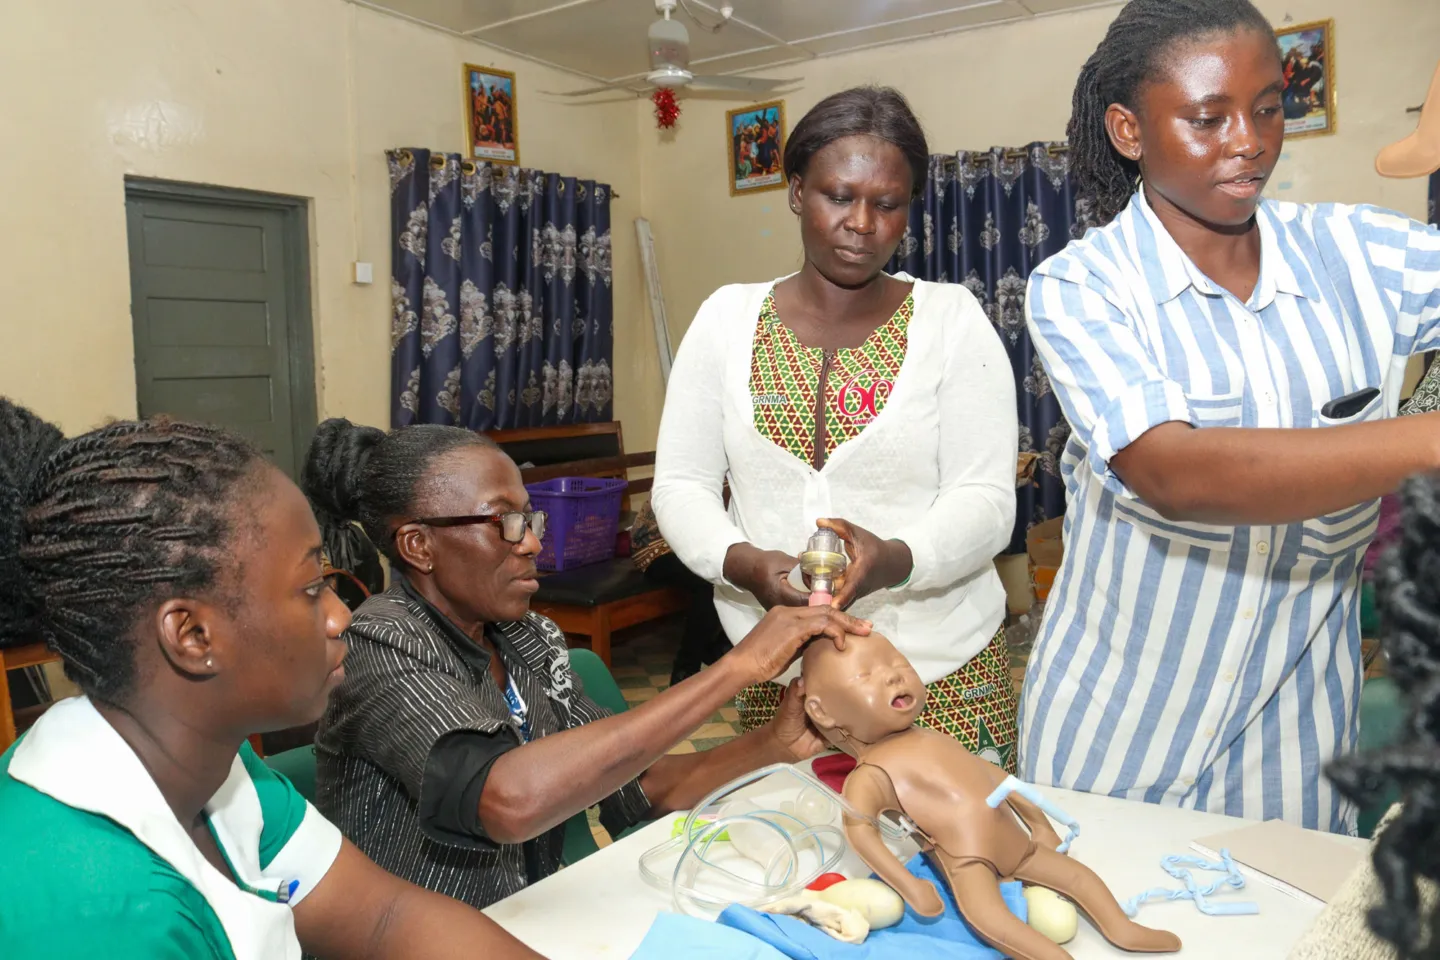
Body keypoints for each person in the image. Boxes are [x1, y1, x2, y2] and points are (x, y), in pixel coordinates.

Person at [1019, 0, 1440, 834]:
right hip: (1114, 729)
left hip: (1294, 732)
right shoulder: (1080, 287)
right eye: (1209, 118)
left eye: (1270, 107)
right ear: (1128, 132)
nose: (1248, 139)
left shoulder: (1359, 254)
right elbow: (1176, 472)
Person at [0, 401, 543, 959]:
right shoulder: (99, 914)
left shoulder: (213, 769)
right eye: (311, 588)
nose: (341, 618)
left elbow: (385, 916)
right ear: (192, 635)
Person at [304, 419, 867, 910]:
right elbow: (505, 801)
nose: (530, 545)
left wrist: (777, 744)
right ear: (418, 546)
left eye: (530, 520)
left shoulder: (526, 638)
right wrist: (735, 667)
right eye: (504, 521)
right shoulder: (380, 643)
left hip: (532, 917)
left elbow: (639, 789)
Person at [651, 86, 1020, 767]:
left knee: (955, 856)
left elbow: (988, 501)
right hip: (780, 669)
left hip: (937, 668)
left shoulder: (951, 321)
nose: (862, 222)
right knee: (800, 855)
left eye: (888, 204)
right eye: (837, 196)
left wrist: (895, 559)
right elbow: (680, 485)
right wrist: (746, 565)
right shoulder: (726, 321)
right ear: (796, 192)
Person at [629, 497, 731, 685]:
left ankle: (717, 649)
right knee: (710, 583)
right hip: (657, 550)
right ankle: (685, 670)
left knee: (736, 576)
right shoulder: (690, 476)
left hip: (691, 548)